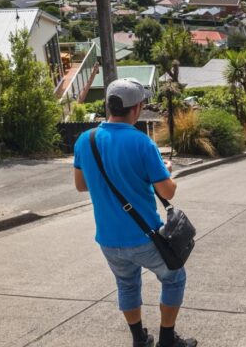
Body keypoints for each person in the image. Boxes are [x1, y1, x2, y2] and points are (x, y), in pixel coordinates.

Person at [74, 78, 196, 347]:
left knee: (127, 286)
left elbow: (81, 185)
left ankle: (139, 339)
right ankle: (167, 339)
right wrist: (166, 170)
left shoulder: (86, 140)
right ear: (137, 107)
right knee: (174, 277)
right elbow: (168, 192)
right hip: (144, 237)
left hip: (107, 238)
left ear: (108, 104)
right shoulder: (142, 143)